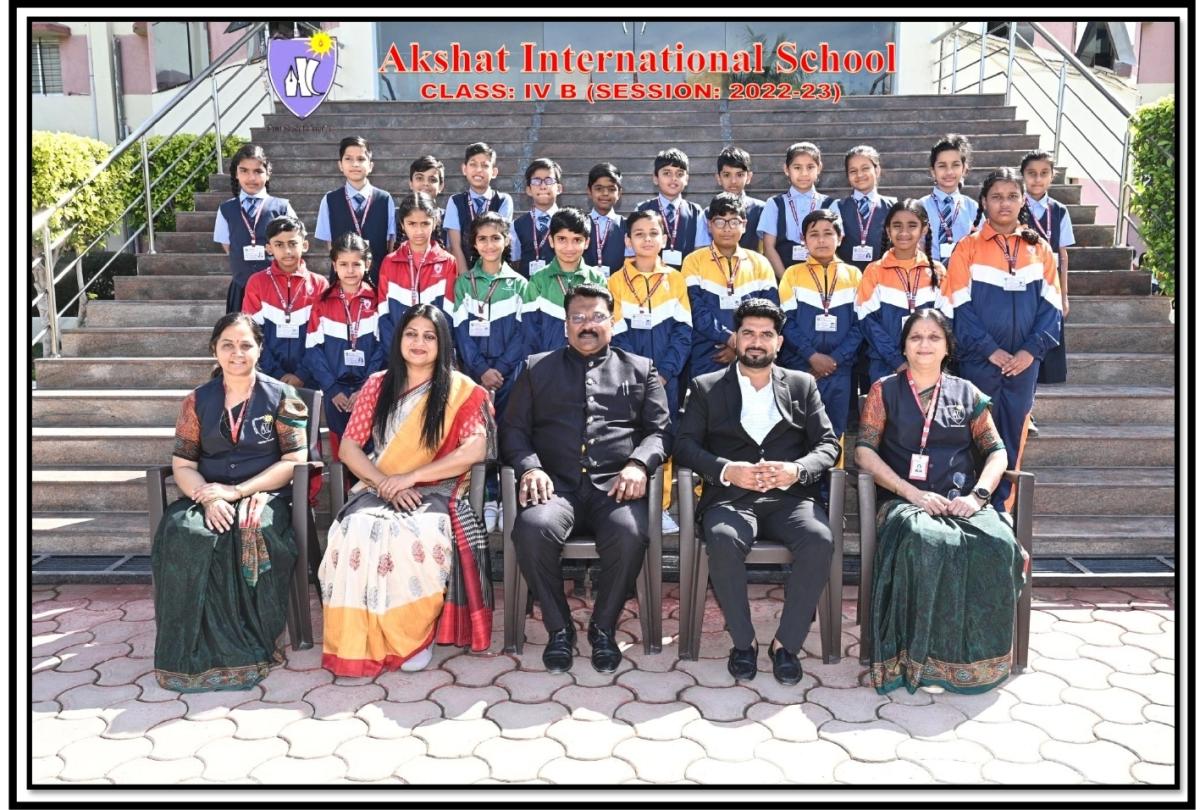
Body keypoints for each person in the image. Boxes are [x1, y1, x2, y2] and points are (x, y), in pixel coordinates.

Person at [854, 308, 1027, 695]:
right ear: (904, 346)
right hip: (904, 502)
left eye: (934, 337)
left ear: (948, 347)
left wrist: (978, 497)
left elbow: (997, 452)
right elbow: (864, 451)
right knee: (928, 540)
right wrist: (911, 493)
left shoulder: (967, 393)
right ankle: (921, 658)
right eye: (915, 337)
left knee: (999, 543)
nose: (924, 344)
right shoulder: (884, 390)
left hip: (961, 501)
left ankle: (979, 660)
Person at [502, 283, 671, 674]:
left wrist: (638, 464)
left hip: (615, 488)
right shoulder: (536, 368)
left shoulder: (640, 368)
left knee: (629, 534)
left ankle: (603, 627)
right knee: (532, 529)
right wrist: (531, 467)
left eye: (596, 317)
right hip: (556, 487)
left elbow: (661, 432)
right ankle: (559, 628)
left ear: (613, 322)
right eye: (577, 318)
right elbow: (512, 430)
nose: (587, 325)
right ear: (565, 325)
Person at [319, 304, 495, 676]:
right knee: (355, 529)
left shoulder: (463, 391)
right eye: (411, 334)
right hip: (378, 486)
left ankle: (412, 636)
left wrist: (410, 478)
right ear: (398, 339)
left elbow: (475, 450)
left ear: (443, 344)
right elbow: (349, 448)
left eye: (429, 336)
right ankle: (360, 636)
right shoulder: (377, 384)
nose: (419, 342)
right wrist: (386, 484)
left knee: (410, 535)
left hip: (437, 491)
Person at [674, 298, 840, 686]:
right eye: (748, 332)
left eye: (766, 334)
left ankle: (786, 644)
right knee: (722, 539)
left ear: (779, 342)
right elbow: (683, 445)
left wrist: (796, 470)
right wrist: (727, 469)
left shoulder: (801, 384)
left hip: (790, 497)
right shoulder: (706, 386)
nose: (756, 341)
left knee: (819, 539)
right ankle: (743, 642)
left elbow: (828, 444)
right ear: (735, 338)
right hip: (731, 497)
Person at [151, 312, 309, 692]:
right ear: (214, 350)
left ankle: (249, 644)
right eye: (228, 345)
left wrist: (237, 493)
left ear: (259, 349)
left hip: (262, 496)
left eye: (245, 345)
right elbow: (184, 465)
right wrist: (208, 498)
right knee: (183, 531)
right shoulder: (196, 401)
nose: (237, 353)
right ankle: (186, 650)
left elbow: (294, 460)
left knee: (252, 531)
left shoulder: (284, 397)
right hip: (207, 494)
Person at [941, 168, 1061, 510]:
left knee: (1014, 433)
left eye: (1012, 196)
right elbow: (957, 306)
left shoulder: (1040, 249)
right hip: (979, 361)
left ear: (1023, 201)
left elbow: (1052, 307)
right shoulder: (967, 248)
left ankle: (1003, 509)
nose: (1004, 203)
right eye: (996, 197)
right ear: (983, 202)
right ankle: (973, 504)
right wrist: (989, 350)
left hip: (1024, 364)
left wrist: (1030, 351)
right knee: (976, 433)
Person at [609, 208, 693, 531]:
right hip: (627, 378)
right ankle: (630, 500)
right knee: (629, 435)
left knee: (663, 436)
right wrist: (638, 373)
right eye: (639, 234)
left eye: (653, 233)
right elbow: (616, 333)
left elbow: (683, 332)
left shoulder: (675, 279)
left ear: (664, 238)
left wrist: (665, 373)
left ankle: (661, 505)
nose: (647, 239)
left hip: (666, 379)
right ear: (628, 240)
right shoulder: (615, 281)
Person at [448, 210, 529, 530]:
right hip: (474, 375)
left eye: (496, 238)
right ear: (474, 243)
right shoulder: (464, 284)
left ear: (507, 241)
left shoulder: (520, 284)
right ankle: (486, 495)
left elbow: (524, 334)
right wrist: (481, 369)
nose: (489, 244)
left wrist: (501, 369)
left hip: (510, 375)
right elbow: (460, 331)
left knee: (508, 432)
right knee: (478, 435)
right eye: (482, 239)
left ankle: (506, 498)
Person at [778, 209, 864, 440]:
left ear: (840, 238)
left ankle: (833, 466)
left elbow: (860, 325)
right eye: (814, 234)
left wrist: (835, 359)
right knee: (799, 430)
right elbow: (786, 321)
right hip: (801, 366)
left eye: (828, 233)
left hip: (839, 368)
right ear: (803, 240)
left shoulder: (854, 275)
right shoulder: (792, 274)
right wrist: (811, 356)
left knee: (834, 431)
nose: (821, 240)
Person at [680, 193, 778, 379]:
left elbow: (770, 311)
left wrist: (740, 345)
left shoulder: (760, 263)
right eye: (719, 222)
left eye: (734, 222)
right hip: (707, 353)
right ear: (709, 225)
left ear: (744, 225)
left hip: (753, 351)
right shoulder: (693, 261)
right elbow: (695, 309)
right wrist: (728, 338)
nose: (727, 229)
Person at [303, 233, 382, 462]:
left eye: (356, 264)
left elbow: (382, 350)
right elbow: (313, 350)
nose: (350, 270)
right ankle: (343, 486)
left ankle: (367, 484)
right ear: (334, 265)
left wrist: (365, 388)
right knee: (341, 450)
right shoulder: (322, 302)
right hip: (334, 390)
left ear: (367, 264)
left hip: (367, 388)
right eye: (343, 264)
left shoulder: (377, 301)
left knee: (369, 447)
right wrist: (331, 388)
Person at [856, 199, 945, 384]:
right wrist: (898, 362)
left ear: (924, 229)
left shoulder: (937, 271)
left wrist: (924, 358)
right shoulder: (874, 271)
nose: (904, 232)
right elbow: (868, 322)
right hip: (885, 366)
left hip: (928, 364)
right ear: (888, 230)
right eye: (897, 226)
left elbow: (946, 321)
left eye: (912, 225)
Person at [242, 215, 328, 389]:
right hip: (266, 376)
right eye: (279, 245)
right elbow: (251, 334)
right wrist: (276, 374)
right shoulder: (257, 282)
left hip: (309, 377)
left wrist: (302, 374)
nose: (287, 250)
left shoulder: (319, 284)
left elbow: (322, 337)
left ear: (305, 245)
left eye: (293, 243)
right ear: (269, 248)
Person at [374, 192, 458, 370]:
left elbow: (448, 317)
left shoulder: (447, 262)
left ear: (435, 222)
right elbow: (383, 316)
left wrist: (434, 353)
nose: (419, 231)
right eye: (412, 224)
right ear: (402, 225)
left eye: (425, 223)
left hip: (435, 357)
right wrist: (398, 354)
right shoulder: (389, 262)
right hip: (397, 357)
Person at [214, 144, 296, 313]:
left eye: (258, 171)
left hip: (276, 287)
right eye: (244, 171)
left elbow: (294, 244)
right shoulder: (226, 209)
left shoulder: (282, 207)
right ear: (236, 173)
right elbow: (228, 246)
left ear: (268, 174)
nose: (251, 178)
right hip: (241, 288)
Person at [1021, 150, 1074, 394]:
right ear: (1023, 176)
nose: (1037, 179)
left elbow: (1063, 255)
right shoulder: (1016, 206)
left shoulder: (1060, 210)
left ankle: (1043, 385)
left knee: (1047, 331)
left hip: (1050, 284)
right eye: (1031, 173)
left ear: (1052, 176)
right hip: (1023, 282)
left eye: (1044, 173)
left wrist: (1064, 296)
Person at [521, 208, 609, 355]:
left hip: (587, 361)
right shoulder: (538, 280)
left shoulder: (597, 279)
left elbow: (602, 328)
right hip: (548, 360)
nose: (569, 247)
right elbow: (530, 331)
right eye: (562, 239)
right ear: (551, 241)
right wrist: (537, 363)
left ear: (587, 242)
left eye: (577, 240)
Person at [313, 136, 396, 288]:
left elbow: (390, 243)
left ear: (371, 166)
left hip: (378, 278)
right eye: (348, 159)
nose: (355, 164)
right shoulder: (330, 200)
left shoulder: (384, 199)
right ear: (340, 165)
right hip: (343, 280)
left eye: (361, 159)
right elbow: (330, 245)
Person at [759, 141, 842, 280]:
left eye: (810, 167)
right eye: (797, 167)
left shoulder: (830, 204)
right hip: (783, 278)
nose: (804, 173)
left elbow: (833, 245)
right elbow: (769, 248)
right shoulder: (774, 204)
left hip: (821, 279)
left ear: (819, 168)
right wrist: (786, 281)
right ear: (786, 169)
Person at [630, 148, 711, 269]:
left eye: (679, 174)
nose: (674, 178)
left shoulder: (696, 212)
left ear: (686, 179)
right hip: (649, 276)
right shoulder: (641, 210)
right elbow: (632, 251)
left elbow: (700, 252)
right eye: (667, 173)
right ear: (655, 178)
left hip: (685, 277)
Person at [444, 142, 515, 274]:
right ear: (464, 169)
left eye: (485, 165)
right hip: (464, 274)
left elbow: (500, 242)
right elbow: (455, 246)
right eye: (473, 164)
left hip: (495, 274)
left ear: (494, 172)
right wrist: (466, 279)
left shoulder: (503, 200)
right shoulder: (455, 201)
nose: (478, 170)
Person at [834, 145, 896, 272]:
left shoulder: (893, 206)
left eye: (865, 168)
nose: (859, 174)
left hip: (883, 275)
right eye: (853, 171)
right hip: (847, 276)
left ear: (877, 170)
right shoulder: (837, 207)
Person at [919, 134, 979, 264]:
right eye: (942, 166)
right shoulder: (920, 207)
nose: (949, 172)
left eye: (955, 165)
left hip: (965, 272)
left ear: (964, 169)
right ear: (933, 171)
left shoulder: (973, 208)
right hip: (929, 272)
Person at [510, 157, 562, 277]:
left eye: (548, 180)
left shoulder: (568, 222)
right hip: (528, 286)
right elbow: (514, 261)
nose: (543, 186)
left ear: (559, 188)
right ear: (528, 190)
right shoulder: (517, 225)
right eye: (536, 181)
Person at [714, 146, 766, 251]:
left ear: (749, 177)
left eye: (739, 175)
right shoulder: (708, 213)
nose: (733, 181)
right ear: (718, 178)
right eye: (727, 175)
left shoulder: (762, 210)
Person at [583, 162, 626, 277]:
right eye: (599, 188)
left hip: (618, 285)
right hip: (584, 285)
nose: (605, 193)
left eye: (611, 189)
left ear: (619, 193)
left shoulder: (627, 226)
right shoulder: (579, 224)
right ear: (589, 191)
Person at [403, 155, 448, 249]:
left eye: (432, 180)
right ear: (410, 183)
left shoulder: (448, 218)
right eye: (419, 178)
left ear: (441, 186)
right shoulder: (397, 216)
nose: (426, 183)